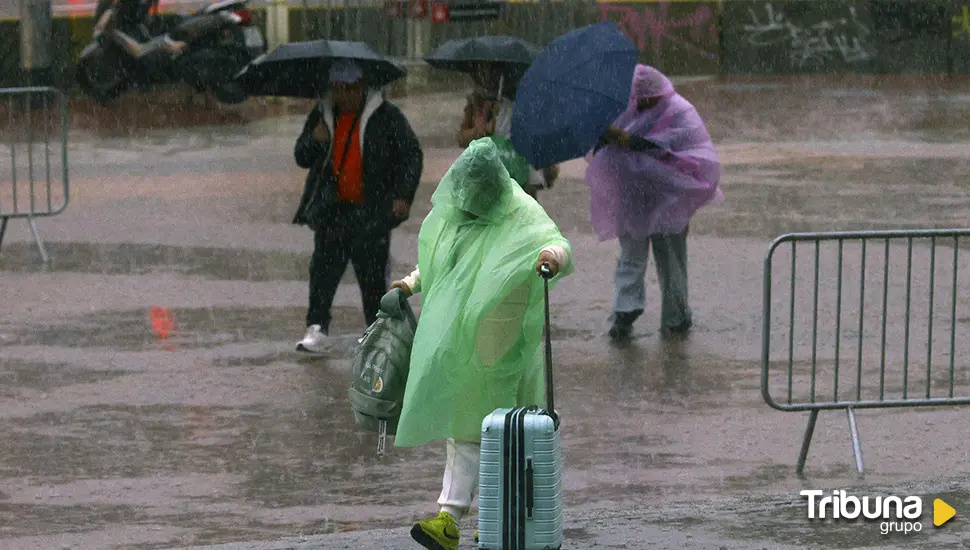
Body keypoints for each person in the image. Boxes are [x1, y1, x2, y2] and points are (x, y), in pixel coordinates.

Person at [387, 138, 573, 550]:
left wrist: (550, 256)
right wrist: (409, 284)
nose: (469, 206)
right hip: (461, 337)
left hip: (503, 338)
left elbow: (555, 241)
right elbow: (439, 257)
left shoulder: (520, 211)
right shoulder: (456, 210)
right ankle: (477, 517)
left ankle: (463, 518)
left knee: (485, 429)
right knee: (475, 427)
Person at [292, 59, 423, 353]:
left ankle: (377, 333)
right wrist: (315, 140)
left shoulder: (387, 117)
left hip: (372, 212)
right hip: (332, 211)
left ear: (362, 87)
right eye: (338, 89)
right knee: (323, 274)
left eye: (350, 88)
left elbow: (411, 155)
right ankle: (316, 328)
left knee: (373, 277)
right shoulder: (322, 116)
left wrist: (403, 196)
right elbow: (301, 156)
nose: (344, 95)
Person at [586, 64, 722, 341]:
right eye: (638, 98)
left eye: (647, 98)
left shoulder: (679, 111)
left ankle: (676, 318)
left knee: (670, 257)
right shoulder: (628, 108)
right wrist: (606, 134)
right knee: (631, 254)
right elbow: (605, 145)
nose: (642, 104)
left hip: (670, 197)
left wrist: (626, 139)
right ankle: (626, 312)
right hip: (633, 195)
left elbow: (671, 147)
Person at [455, 62, 559, 199]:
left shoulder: (522, 100)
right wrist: (483, 130)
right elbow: (461, 139)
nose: (482, 77)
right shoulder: (476, 103)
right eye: (479, 72)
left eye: (487, 72)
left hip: (520, 186)